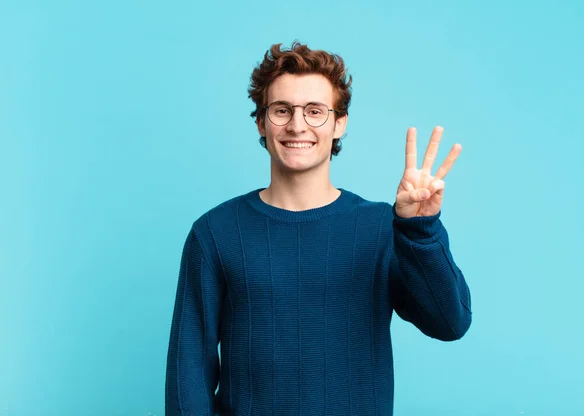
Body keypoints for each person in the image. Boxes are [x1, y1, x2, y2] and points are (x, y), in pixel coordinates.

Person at [165, 41, 472, 416]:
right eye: (282, 110)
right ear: (261, 121)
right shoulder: (215, 232)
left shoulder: (383, 229)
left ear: (339, 123)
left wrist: (420, 229)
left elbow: (450, 321)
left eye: (315, 111)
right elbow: (188, 373)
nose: (297, 125)